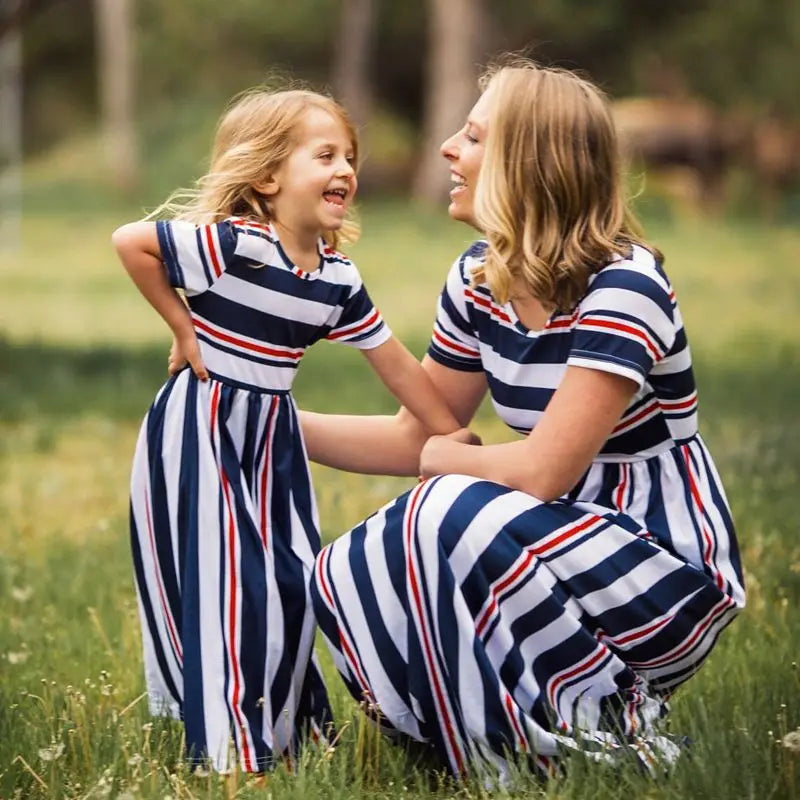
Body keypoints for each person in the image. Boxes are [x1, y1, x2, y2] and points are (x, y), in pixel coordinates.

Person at [300, 59, 746, 780]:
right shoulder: (481, 278)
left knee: (441, 507)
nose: (447, 148)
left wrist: (449, 464)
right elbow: (417, 434)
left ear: (528, 163)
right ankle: (465, 750)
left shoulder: (626, 286)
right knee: (342, 566)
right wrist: (260, 417)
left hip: (660, 570)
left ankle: (604, 741)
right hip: (547, 546)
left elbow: (542, 471)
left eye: (473, 138)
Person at [111, 87, 466, 774]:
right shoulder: (239, 246)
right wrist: (184, 329)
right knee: (228, 581)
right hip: (202, 429)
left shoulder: (336, 277)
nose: (346, 170)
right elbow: (132, 242)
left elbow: (394, 364)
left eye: (351, 157)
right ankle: (230, 753)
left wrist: (452, 431)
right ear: (268, 177)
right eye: (325, 154)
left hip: (272, 438)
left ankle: (291, 732)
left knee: (287, 578)